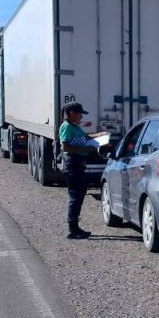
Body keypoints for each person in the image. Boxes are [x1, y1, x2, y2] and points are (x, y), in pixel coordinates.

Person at [59, 102, 106, 240]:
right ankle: (72, 229)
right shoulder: (67, 127)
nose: (81, 116)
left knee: (80, 194)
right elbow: (66, 146)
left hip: (78, 164)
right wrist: (86, 149)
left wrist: (100, 135)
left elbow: (85, 138)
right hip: (72, 163)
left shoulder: (75, 127)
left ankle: (75, 227)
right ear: (71, 113)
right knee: (75, 196)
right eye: (79, 114)